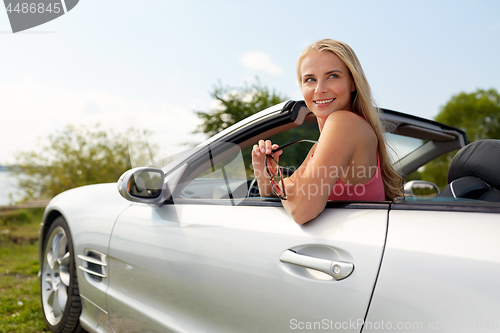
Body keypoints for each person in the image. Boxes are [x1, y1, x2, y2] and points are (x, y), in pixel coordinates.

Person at [251, 39, 402, 224]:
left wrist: (285, 187)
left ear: (353, 83)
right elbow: (281, 192)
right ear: (302, 87)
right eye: (310, 79)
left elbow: (300, 210)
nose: (320, 89)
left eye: (332, 76)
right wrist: (264, 172)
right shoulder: (323, 144)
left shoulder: (344, 123)